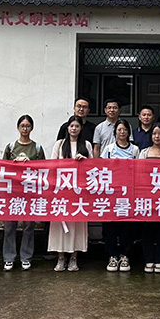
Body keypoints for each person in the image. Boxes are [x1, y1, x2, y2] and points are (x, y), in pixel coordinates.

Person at [48, 115, 92, 272]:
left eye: (77, 126)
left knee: (77, 225)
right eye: (71, 126)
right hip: (62, 191)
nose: (74, 129)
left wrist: (84, 161)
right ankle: (60, 258)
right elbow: (52, 166)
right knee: (60, 225)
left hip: (79, 192)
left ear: (81, 128)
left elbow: (93, 168)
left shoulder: (86, 145)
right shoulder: (59, 145)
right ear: (67, 128)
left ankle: (74, 258)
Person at [2, 114, 45, 272]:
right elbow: (2, 167)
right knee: (9, 226)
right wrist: (14, 164)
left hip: (29, 192)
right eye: (22, 126)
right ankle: (9, 258)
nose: (25, 129)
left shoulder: (37, 148)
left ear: (31, 128)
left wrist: (30, 164)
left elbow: (44, 169)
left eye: (28, 126)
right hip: (13, 191)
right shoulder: (11, 147)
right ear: (18, 127)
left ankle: (26, 257)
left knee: (28, 226)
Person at [101, 118, 140, 272]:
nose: (122, 132)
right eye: (119, 130)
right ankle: (112, 255)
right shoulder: (109, 149)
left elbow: (139, 171)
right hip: (111, 194)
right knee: (110, 227)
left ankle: (125, 255)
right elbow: (101, 169)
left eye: (125, 130)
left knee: (127, 226)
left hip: (128, 195)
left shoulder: (135, 150)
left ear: (128, 132)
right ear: (115, 132)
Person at [138, 121, 160, 273]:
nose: (157, 136)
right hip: (146, 197)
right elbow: (138, 173)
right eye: (154, 134)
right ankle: (148, 259)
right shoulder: (144, 153)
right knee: (147, 231)